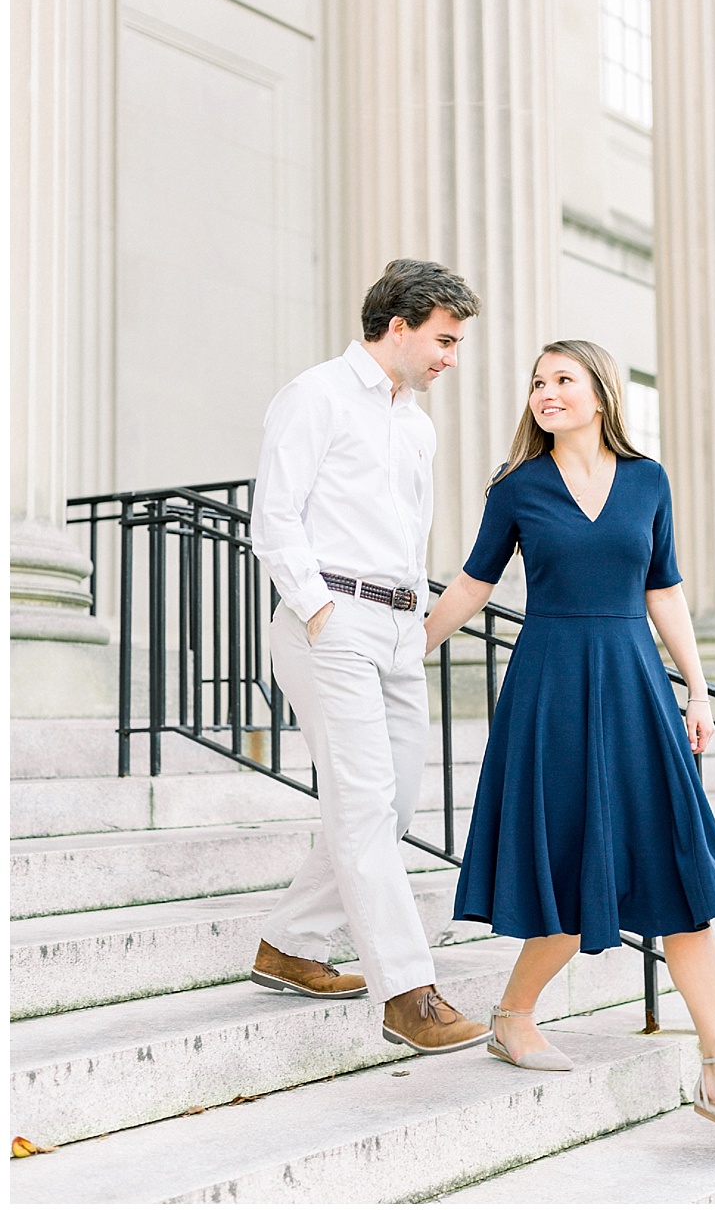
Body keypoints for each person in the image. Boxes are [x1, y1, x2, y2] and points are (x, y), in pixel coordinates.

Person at [423, 339, 715, 1153]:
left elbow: (664, 587)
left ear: (600, 393)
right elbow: (475, 582)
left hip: (632, 687)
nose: (547, 393)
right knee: (569, 864)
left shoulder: (648, 480)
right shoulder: (518, 489)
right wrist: (413, 650)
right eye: (538, 383)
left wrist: (697, 687)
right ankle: (514, 1017)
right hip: (548, 692)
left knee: (683, 878)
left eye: (563, 380)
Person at [249, 257, 492, 1055]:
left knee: (392, 806)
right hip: (330, 623)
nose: (451, 358)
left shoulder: (417, 423)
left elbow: (410, 532)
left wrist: (413, 623)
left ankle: (290, 944)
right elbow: (276, 516)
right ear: (400, 326)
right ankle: (407, 994)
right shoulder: (314, 395)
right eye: (445, 340)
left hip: (395, 627)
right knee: (360, 805)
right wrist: (317, 609)